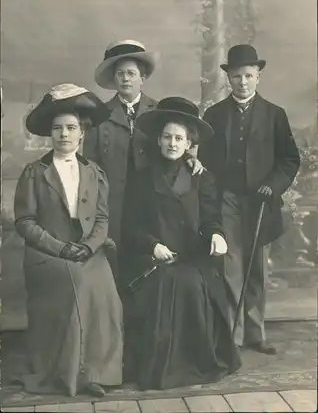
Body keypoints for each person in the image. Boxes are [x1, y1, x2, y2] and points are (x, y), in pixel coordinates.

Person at [14, 84, 123, 397]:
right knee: (74, 279)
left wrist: (89, 247)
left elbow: (102, 220)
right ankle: (68, 374)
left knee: (104, 286)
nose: (64, 134)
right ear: (51, 133)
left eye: (71, 128)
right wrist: (61, 248)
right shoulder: (34, 172)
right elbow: (25, 222)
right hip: (48, 253)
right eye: (58, 128)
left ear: (82, 133)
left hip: (87, 249)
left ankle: (99, 372)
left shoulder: (95, 172)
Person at [124, 97, 241, 390]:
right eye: (167, 137)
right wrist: (152, 245)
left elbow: (211, 219)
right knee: (167, 283)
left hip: (193, 258)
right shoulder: (141, 178)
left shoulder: (202, 178)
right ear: (158, 140)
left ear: (189, 143)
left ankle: (197, 364)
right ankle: (160, 369)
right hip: (152, 260)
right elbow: (131, 226)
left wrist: (217, 235)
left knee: (193, 282)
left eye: (179, 138)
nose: (172, 143)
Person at [199, 45, 300, 354]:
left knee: (256, 268)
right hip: (227, 200)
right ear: (228, 78)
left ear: (258, 76)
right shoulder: (215, 115)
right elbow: (206, 161)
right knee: (231, 267)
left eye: (248, 76)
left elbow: (289, 160)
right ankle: (234, 334)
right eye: (236, 76)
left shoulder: (274, 115)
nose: (242, 82)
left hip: (260, 201)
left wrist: (273, 186)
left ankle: (256, 333)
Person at [83, 40, 204, 286]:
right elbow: (89, 164)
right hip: (112, 204)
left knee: (151, 267)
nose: (125, 79)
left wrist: (192, 159)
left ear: (143, 77)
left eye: (131, 73)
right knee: (115, 265)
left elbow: (175, 145)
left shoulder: (159, 112)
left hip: (151, 204)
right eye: (119, 74)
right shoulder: (100, 116)